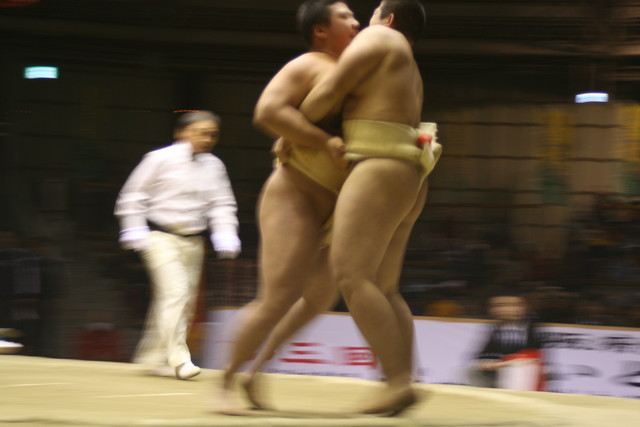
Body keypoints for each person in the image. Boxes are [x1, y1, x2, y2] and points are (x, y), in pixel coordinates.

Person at [215, 0, 359, 412]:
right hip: (296, 193)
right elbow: (268, 112)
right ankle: (223, 382)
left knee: (319, 297)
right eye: (345, 16)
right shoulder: (310, 64)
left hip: (338, 204)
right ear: (320, 30)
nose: (356, 22)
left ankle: (256, 371)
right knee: (278, 297)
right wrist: (322, 140)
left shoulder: (354, 72)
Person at [298, 0, 441, 415]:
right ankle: (402, 379)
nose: (363, 21)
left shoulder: (381, 37)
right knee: (385, 286)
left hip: (380, 166)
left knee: (351, 275)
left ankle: (396, 382)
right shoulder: (408, 63)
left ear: (389, 19)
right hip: (409, 173)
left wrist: (294, 124)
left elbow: (326, 95)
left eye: (374, 11)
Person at [114, 110, 240, 380]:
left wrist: (226, 232)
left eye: (212, 134)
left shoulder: (215, 165)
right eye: (201, 132)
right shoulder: (158, 158)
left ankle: (151, 359)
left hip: (194, 241)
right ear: (181, 132)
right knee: (176, 293)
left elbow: (222, 204)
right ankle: (180, 360)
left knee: (181, 301)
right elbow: (133, 195)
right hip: (159, 237)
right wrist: (133, 227)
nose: (207, 139)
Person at [468, 291, 544, 390]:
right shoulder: (496, 329)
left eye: (508, 305)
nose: (501, 309)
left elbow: (532, 359)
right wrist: (504, 363)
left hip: (525, 375)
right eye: (497, 305)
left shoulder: (532, 326)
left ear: (522, 307)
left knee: (517, 370)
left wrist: (506, 362)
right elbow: (481, 360)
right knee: (470, 372)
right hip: (502, 371)